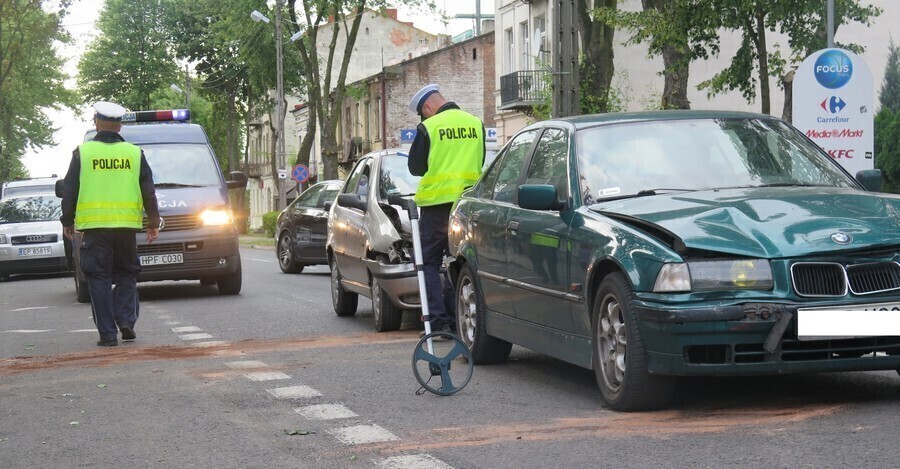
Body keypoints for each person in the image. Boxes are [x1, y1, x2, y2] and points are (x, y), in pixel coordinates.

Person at [60, 101, 160, 347]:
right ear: (119, 127)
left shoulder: (82, 153)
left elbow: (70, 190)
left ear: (96, 124)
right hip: (126, 227)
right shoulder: (134, 154)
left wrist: (68, 220)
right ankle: (126, 321)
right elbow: (148, 190)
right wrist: (153, 222)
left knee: (99, 277)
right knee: (127, 273)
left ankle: (107, 335)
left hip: (95, 228)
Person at [407, 84, 485, 335]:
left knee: (427, 263)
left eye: (423, 112)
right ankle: (458, 319)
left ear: (428, 107)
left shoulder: (429, 127)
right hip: (467, 206)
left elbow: (415, 167)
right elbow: (481, 160)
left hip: (436, 208)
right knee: (459, 262)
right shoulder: (475, 123)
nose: (424, 117)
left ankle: (437, 323)